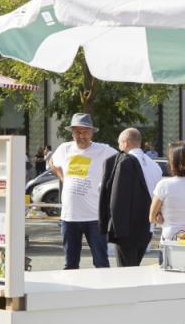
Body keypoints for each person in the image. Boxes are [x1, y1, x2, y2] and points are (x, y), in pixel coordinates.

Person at [49, 113, 117, 269]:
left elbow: (122, 161)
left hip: (94, 217)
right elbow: (52, 162)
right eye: (77, 132)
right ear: (72, 133)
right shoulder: (65, 148)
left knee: (101, 262)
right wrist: (62, 177)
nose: (81, 136)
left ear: (92, 132)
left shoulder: (103, 150)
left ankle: (104, 285)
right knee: (70, 264)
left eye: (85, 132)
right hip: (69, 217)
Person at [99, 128, 162, 267]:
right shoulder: (155, 166)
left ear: (126, 143)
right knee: (134, 267)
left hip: (126, 228)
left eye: (119, 144)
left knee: (125, 270)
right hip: (147, 227)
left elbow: (115, 196)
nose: (119, 148)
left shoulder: (123, 162)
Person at [150, 142, 185, 241]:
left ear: (173, 162)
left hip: (169, 240)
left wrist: (159, 215)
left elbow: (152, 217)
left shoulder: (164, 185)